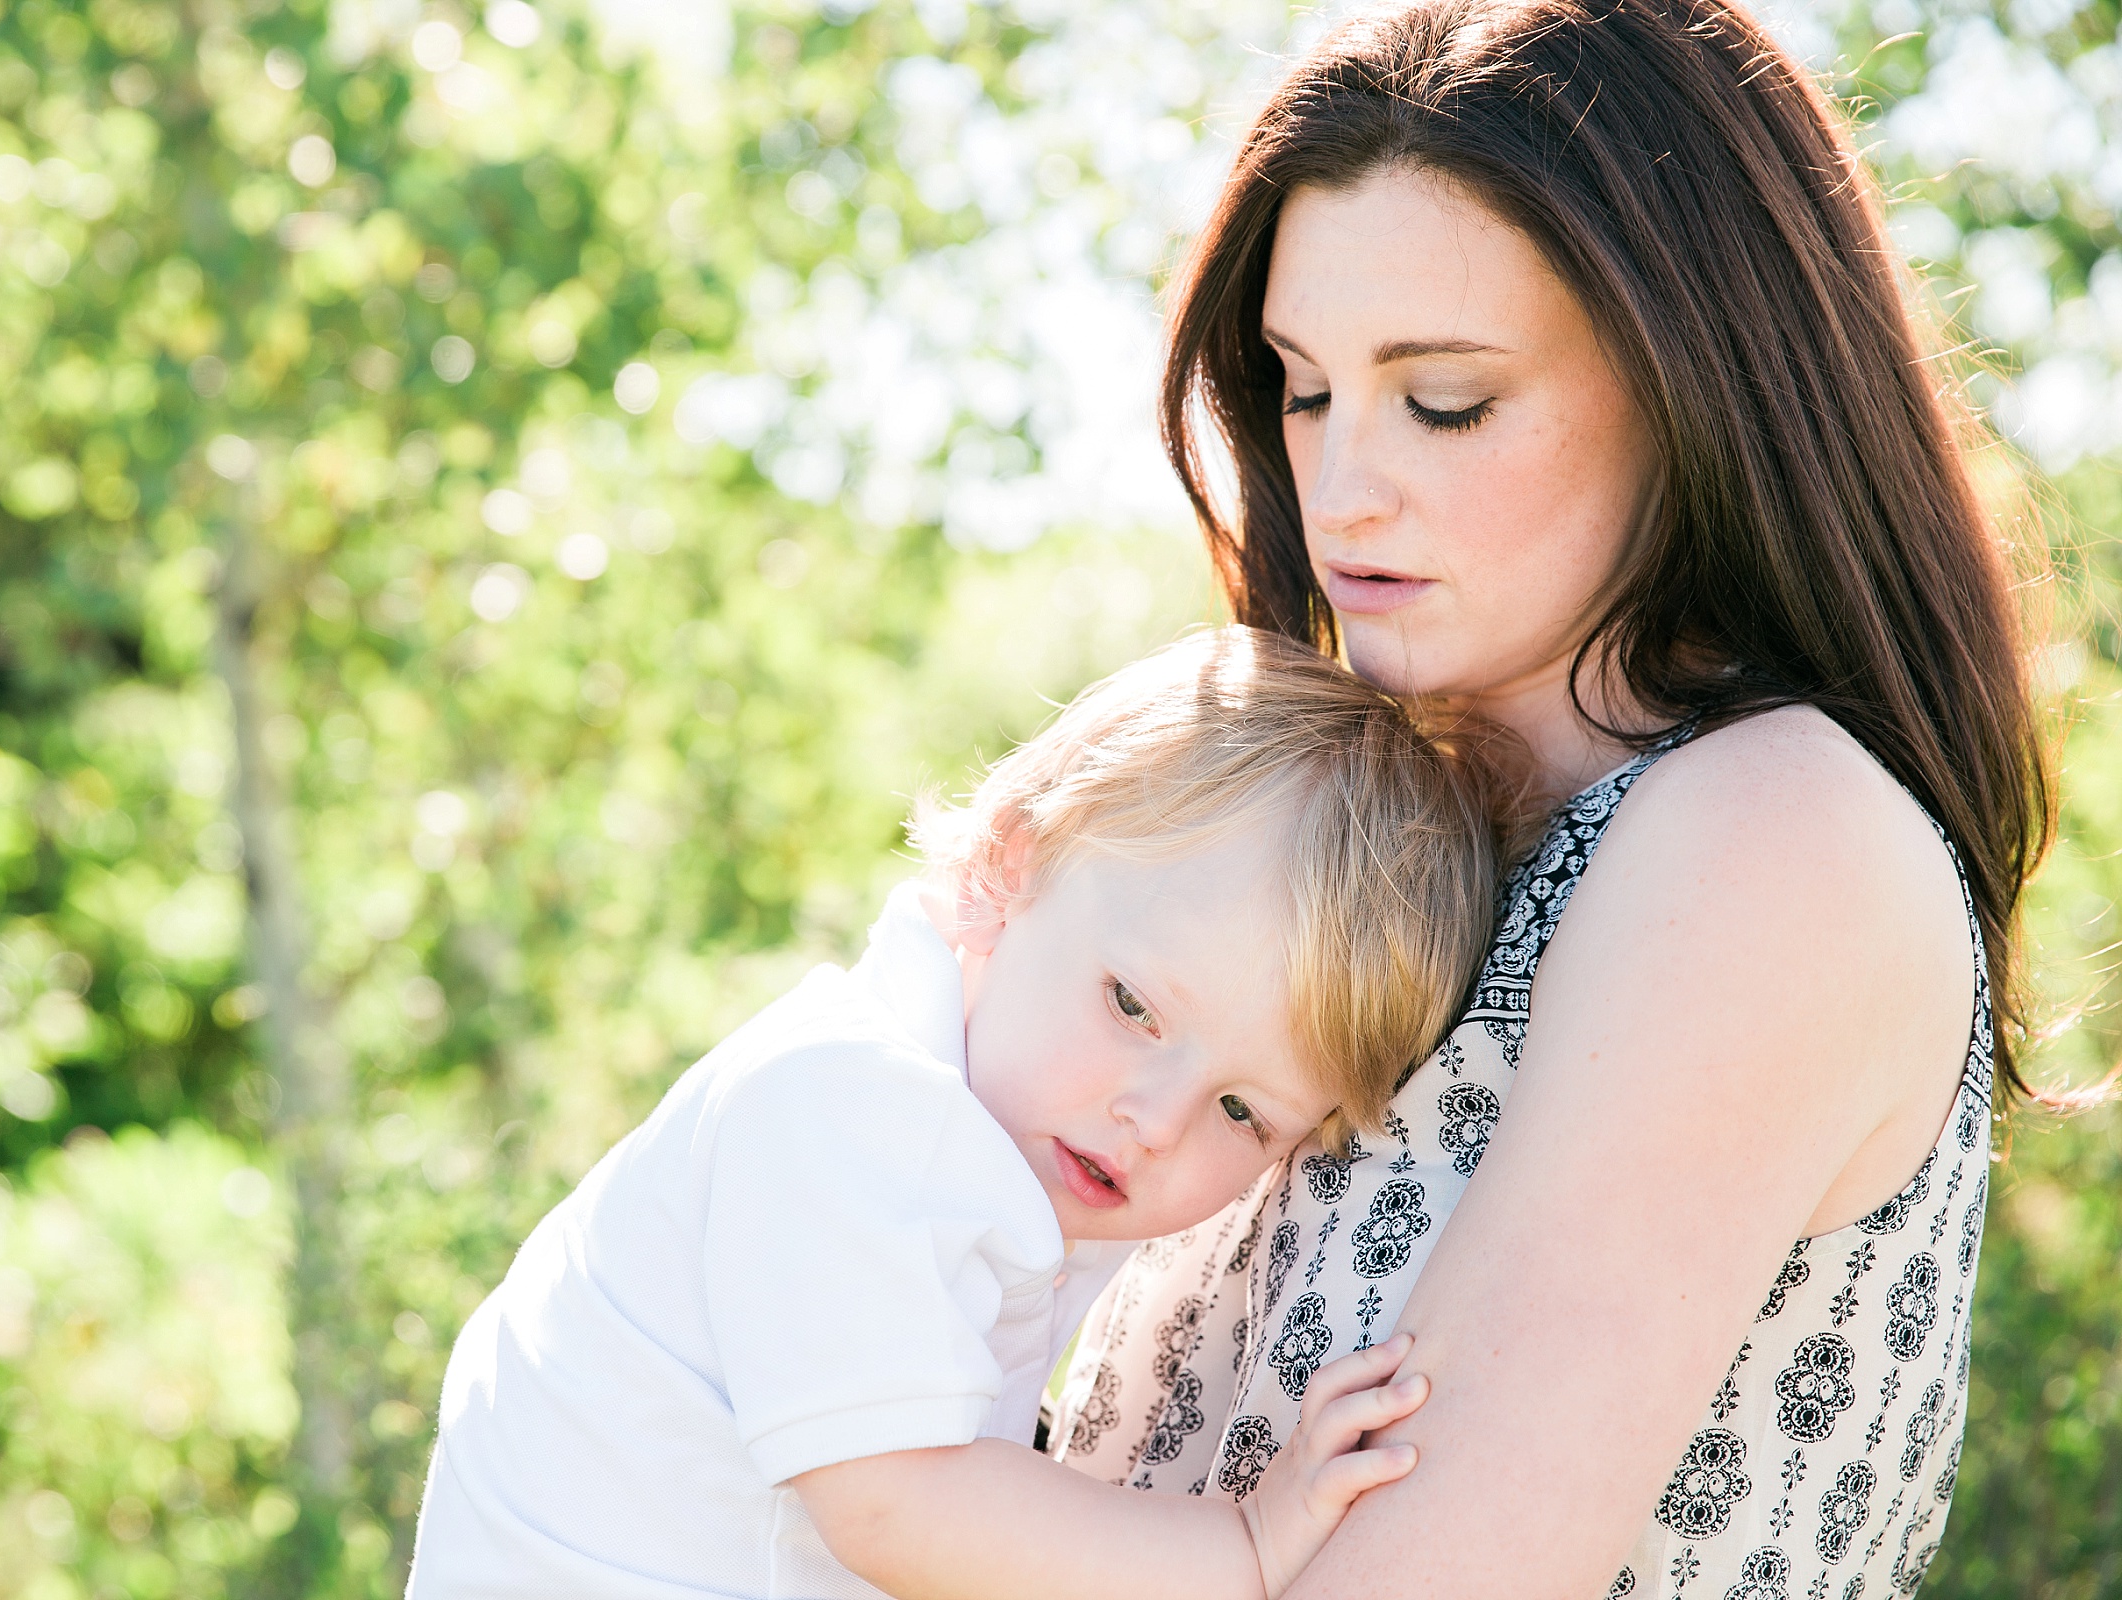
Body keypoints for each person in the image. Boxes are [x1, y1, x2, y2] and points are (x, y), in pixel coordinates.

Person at [1051, 1, 2052, 1597]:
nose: (1343, 486)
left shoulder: (1773, 840)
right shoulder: (1382, 840)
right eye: (1304, 391)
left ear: (1697, 384)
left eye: (1444, 399)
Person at [406, 626, 1503, 1599]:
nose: (1156, 1118)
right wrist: (1246, 1551)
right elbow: (897, 1504)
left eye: (1241, 1111)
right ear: (1002, 868)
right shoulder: (849, 1104)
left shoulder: (986, 1128)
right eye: (1134, 1005)